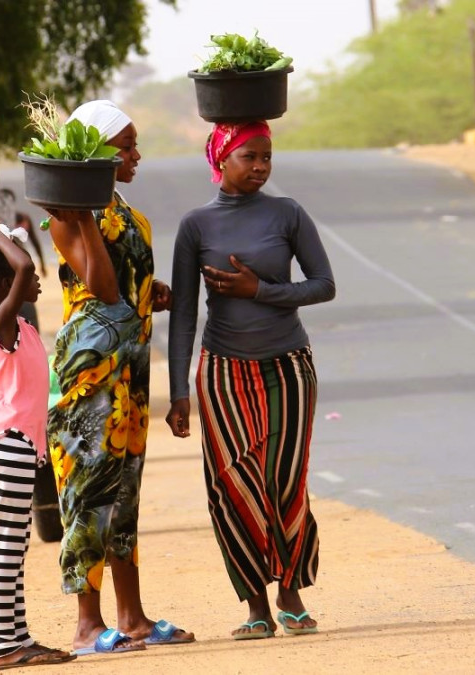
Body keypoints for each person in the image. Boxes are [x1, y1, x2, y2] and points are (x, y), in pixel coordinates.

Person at [166, 120, 336, 640]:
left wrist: (259, 290)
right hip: (222, 373)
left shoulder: (288, 214)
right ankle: (255, 607)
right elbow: (184, 316)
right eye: (250, 157)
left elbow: (323, 285)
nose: (261, 166)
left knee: (285, 482)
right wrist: (178, 392)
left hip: (288, 368)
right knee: (232, 483)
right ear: (222, 159)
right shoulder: (196, 226)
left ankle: (291, 593)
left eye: (267, 157)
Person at [44, 99, 194, 655]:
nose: (136, 154)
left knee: (125, 491)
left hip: (129, 370)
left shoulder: (122, 208)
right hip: (90, 374)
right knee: (89, 491)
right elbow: (102, 290)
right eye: (125, 146)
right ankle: (87, 626)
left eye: (133, 144)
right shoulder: (68, 215)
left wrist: (151, 294)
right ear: (95, 155)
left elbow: (124, 285)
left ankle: (132, 617)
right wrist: (82, 209)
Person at [0, 212, 75, 669]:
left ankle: (10, 637)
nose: (37, 278)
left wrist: (0, 234)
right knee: (4, 546)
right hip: (10, 447)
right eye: (26, 273)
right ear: (7, 281)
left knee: (4, 543)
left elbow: (22, 268)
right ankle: (5, 647)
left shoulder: (19, 327)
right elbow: (24, 267)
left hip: (14, 448)